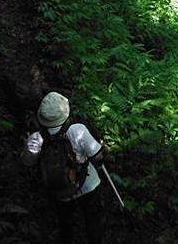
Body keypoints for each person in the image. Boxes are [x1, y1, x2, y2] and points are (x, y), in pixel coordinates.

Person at [21, 91, 105, 244]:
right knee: (92, 222)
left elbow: (27, 162)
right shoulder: (77, 130)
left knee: (65, 225)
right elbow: (98, 156)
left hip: (59, 190)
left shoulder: (36, 138)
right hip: (88, 185)